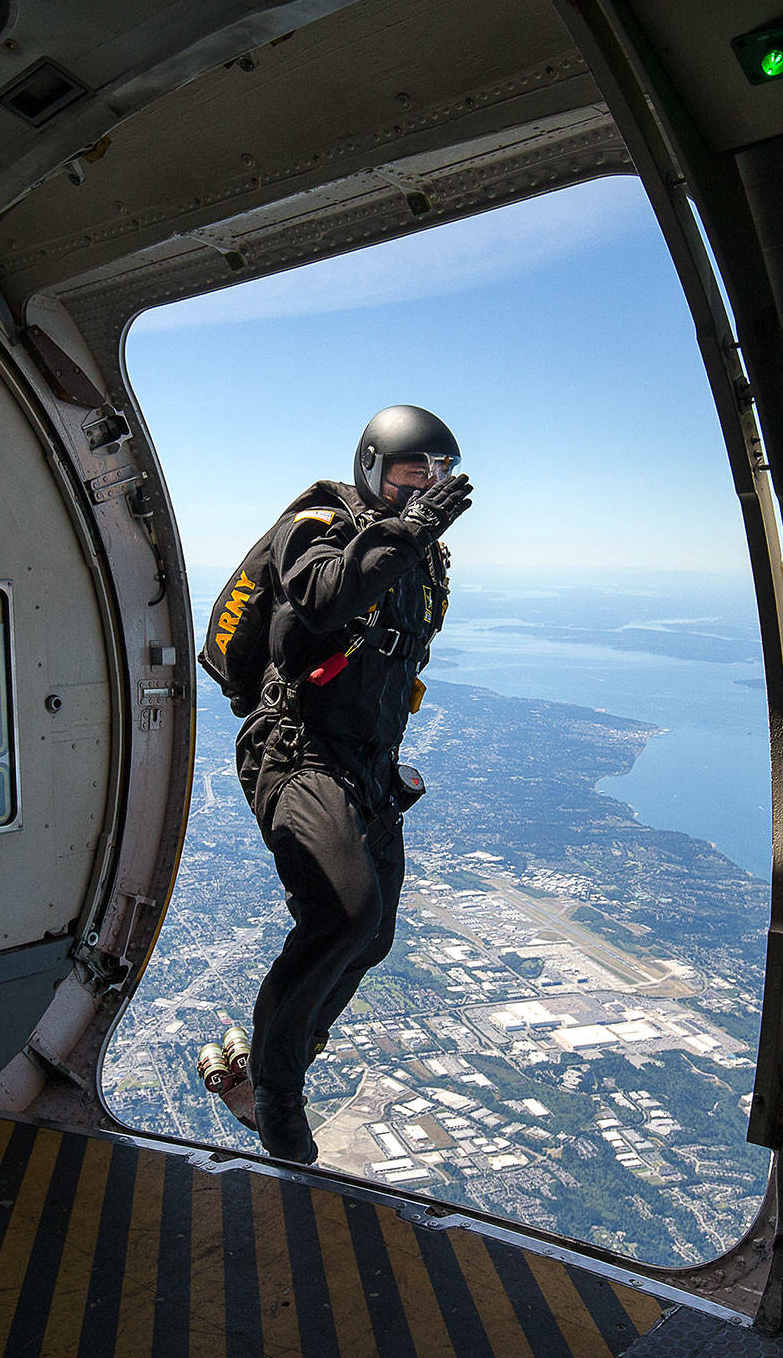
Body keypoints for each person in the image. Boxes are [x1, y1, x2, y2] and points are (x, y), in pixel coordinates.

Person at [235, 405, 472, 1162]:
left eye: (438, 474)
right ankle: (275, 1091)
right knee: (344, 916)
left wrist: (412, 537)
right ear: (374, 469)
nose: (427, 488)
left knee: (374, 937)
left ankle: (283, 1050)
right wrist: (406, 529)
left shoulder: (421, 556)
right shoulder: (318, 519)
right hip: (297, 751)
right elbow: (322, 597)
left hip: (366, 761)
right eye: (411, 473)